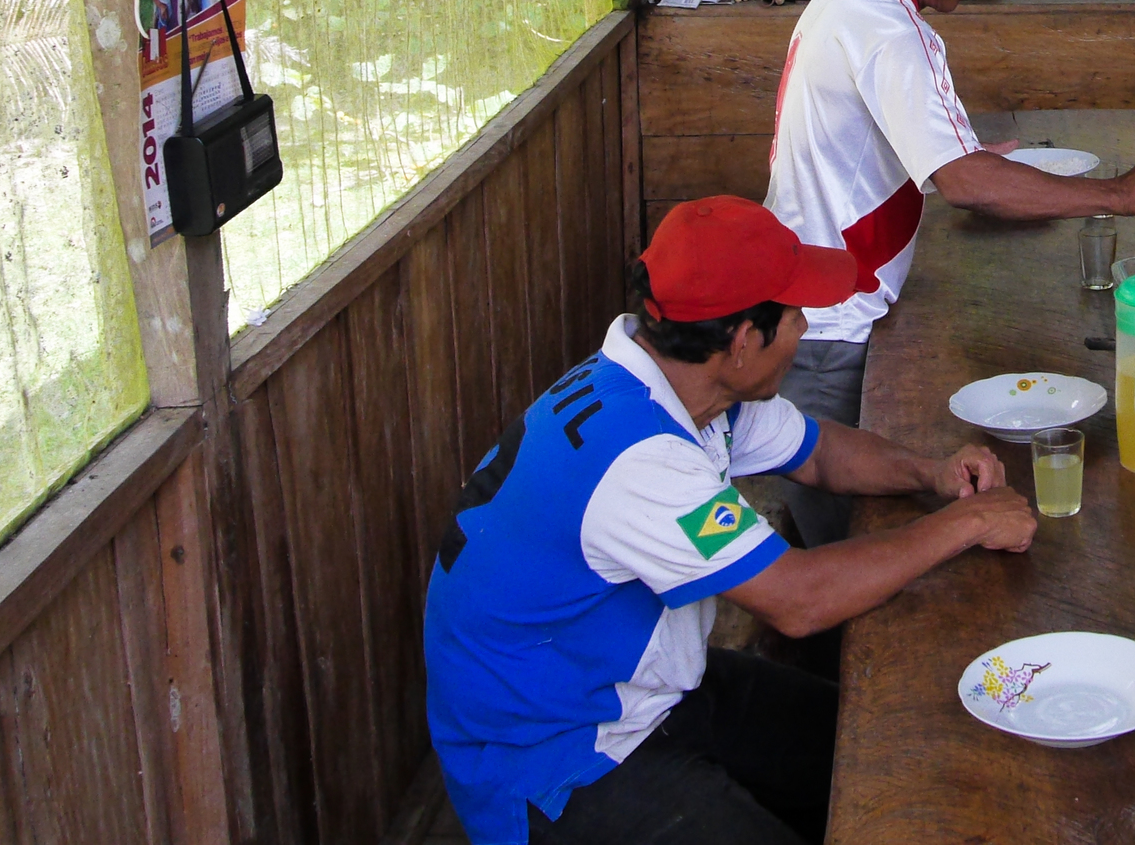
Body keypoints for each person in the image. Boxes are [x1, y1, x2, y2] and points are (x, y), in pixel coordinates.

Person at [423, 196, 1038, 845]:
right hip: (552, 759)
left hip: (637, 690)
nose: (804, 325)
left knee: (881, 750)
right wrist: (962, 525)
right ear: (744, 340)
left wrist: (931, 473)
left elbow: (821, 451)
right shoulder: (642, 460)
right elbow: (798, 600)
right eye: (795, 312)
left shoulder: (685, 384)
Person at [766, 0, 1135, 543]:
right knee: (843, 544)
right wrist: (1118, 192)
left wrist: (955, 156)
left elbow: (901, 150)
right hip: (831, 319)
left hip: (813, 295)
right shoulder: (895, 33)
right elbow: (966, 186)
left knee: (840, 524)